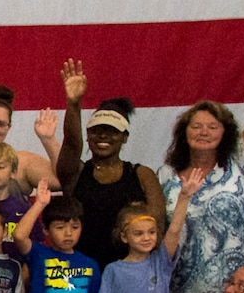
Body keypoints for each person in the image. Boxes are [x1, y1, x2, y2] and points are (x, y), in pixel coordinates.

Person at [158, 32, 244, 293]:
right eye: (196, 125)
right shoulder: (164, 177)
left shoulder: (240, 164)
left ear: (225, 132)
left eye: (212, 126)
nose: (203, 131)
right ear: (183, 133)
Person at [53, 67, 166, 269]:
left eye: (112, 131)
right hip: (82, 273)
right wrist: (73, 104)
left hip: (129, 274)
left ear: (124, 137)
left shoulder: (142, 175)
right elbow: (71, 144)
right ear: (87, 134)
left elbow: (157, 229)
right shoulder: (75, 172)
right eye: (97, 130)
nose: (103, 136)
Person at [13, 185, 98, 293]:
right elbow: (19, 236)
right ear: (46, 230)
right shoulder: (40, 254)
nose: (68, 233)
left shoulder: (90, 265)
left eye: (75, 227)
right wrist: (40, 204)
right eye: (60, 227)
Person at [93, 202, 174, 293]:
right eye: (138, 233)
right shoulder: (113, 270)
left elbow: (174, 231)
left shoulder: (160, 263)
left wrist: (184, 196)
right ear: (124, 237)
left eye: (151, 232)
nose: (146, 238)